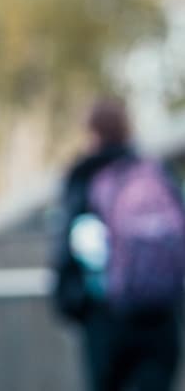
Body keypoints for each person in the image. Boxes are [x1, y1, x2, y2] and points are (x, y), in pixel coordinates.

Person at [52, 97, 184, 391]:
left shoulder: (84, 177)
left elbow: (65, 253)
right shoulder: (155, 172)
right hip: (160, 318)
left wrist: (74, 305)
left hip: (106, 320)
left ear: (92, 134)